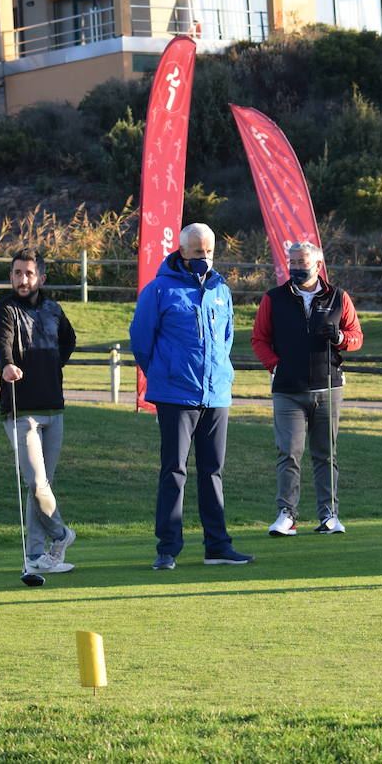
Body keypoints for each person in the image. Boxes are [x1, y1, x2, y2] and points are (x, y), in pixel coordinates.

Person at [129, 223, 253, 570]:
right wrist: (164, 373)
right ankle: (168, 548)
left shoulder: (220, 290)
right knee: (174, 471)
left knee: (213, 471)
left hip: (215, 395)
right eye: (198, 252)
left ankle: (218, 546)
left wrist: (218, 375)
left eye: (209, 251)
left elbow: (226, 338)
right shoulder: (158, 290)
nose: (204, 257)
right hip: (175, 395)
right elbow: (141, 341)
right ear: (182, 252)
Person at [251, 241, 364, 537]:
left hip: (327, 387)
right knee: (288, 452)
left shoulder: (338, 297)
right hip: (288, 390)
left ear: (317, 264)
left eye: (302, 262)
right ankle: (286, 514)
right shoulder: (274, 298)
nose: (296, 268)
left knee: (325, 454)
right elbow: (259, 339)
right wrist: (275, 365)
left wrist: (339, 336)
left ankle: (329, 515)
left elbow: (356, 337)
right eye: (292, 262)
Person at [0, 248, 78, 578]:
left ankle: (36, 556)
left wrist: (50, 365)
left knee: (40, 486)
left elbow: (69, 340)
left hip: (53, 407)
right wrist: (8, 364)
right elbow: (2, 342)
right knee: (37, 481)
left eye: (28, 273)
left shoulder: (54, 309)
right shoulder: (5, 310)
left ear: (41, 277)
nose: (22, 279)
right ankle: (61, 535)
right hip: (20, 410)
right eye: (16, 273)